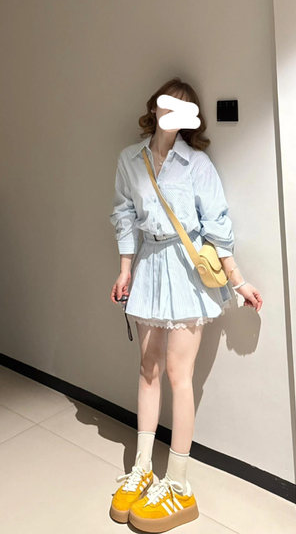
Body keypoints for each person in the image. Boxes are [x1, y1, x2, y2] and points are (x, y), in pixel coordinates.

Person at [108, 77, 262, 532]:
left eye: (183, 108)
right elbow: (124, 215)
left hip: (186, 272)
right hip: (149, 267)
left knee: (179, 376)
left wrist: (238, 282)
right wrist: (124, 269)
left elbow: (217, 224)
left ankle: (178, 482)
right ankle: (142, 468)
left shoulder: (197, 164)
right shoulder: (129, 159)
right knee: (147, 369)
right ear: (154, 108)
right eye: (167, 104)